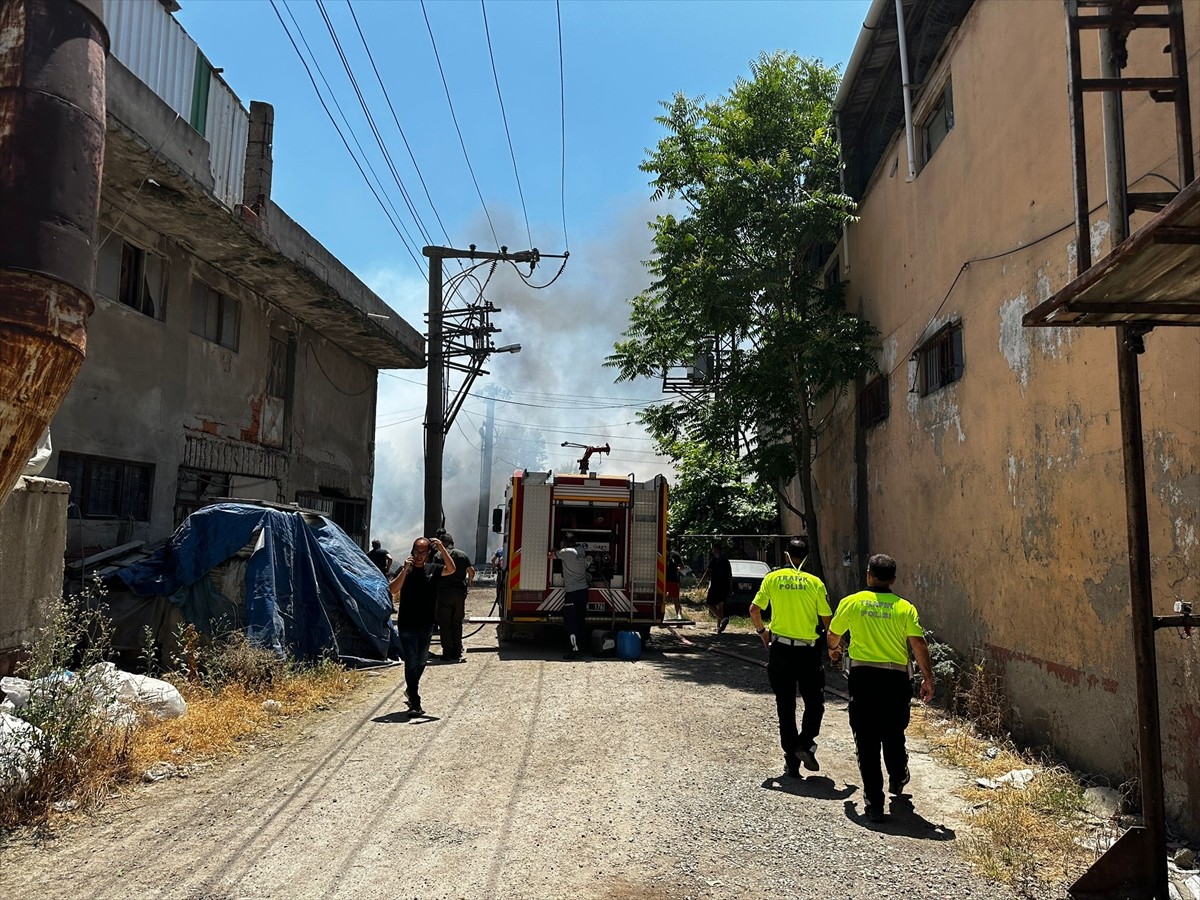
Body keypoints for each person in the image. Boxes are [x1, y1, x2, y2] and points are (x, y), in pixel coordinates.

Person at [826, 553, 934, 823]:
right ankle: (898, 776)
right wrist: (928, 678)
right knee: (893, 731)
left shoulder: (851, 603)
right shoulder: (904, 607)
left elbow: (833, 635)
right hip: (895, 679)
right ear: (893, 580)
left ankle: (874, 804)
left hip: (863, 679)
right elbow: (918, 644)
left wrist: (834, 651)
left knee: (866, 740)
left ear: (868, 575)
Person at [748, 537, 832, 777]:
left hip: (781, 650)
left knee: (785, 706)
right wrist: (834, 647)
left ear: (786, 556)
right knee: (815, 703)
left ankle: (791, 762)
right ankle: (805, 743)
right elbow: (827, 620)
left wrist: (763, 633)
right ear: (806, 558)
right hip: (808, 652)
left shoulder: (772, 579)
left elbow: (754, 610)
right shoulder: (815, 583)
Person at [388, 535, 456, 716]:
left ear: (428, 554)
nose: (419, 555)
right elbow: (393, 589)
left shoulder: (433, 569)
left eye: (423, 552)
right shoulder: (405, 570)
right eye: (416, 551)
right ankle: (415, 702)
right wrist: (405, 569)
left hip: (426, 625)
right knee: (411, 663)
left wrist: (442, 549)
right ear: (412, 551)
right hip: (407, 625)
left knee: (421, 661)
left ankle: (411, 689)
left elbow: (451, 569)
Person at [433, 529, 474, 663]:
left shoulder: (438, 556)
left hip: (444, 593)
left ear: (442, 543)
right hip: (459, 594)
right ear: (452, 543)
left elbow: (434, 573)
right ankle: (457, 651)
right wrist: (469, 581)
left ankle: (447, 652)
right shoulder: (462, 555)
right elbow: (471, 571)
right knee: (457, 622)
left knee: (445, 624)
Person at [550, 534, 590, 659]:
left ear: (565, 542)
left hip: (572, 592)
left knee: (570, 622)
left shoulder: (566, 552)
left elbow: (550, 555)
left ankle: (575, 649)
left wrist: (557, 549)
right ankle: (582, 646)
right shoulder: (581, 550)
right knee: (580, 620)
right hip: (583, 591)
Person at [698, 542, 732, 633]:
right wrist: (730, 587)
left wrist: (701, 582)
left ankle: (723, 618)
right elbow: (730, 575)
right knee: (720, 605)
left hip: (715, 586)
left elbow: (708, 572)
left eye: (714, 549)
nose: (713, 551)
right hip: (724, 586)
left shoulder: (714, 560)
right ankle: (719, 627)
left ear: (717, 550)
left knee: (710, 604)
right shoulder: (726, 560)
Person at [665, 549, 683, 619]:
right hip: (674, 580)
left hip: (663, 580)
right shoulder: (676, 554)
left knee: (661, 599)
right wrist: (676, 568)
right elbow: (682, 567)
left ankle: (660, 618)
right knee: (676, 600)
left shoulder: (661, 552)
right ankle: (679, 618)